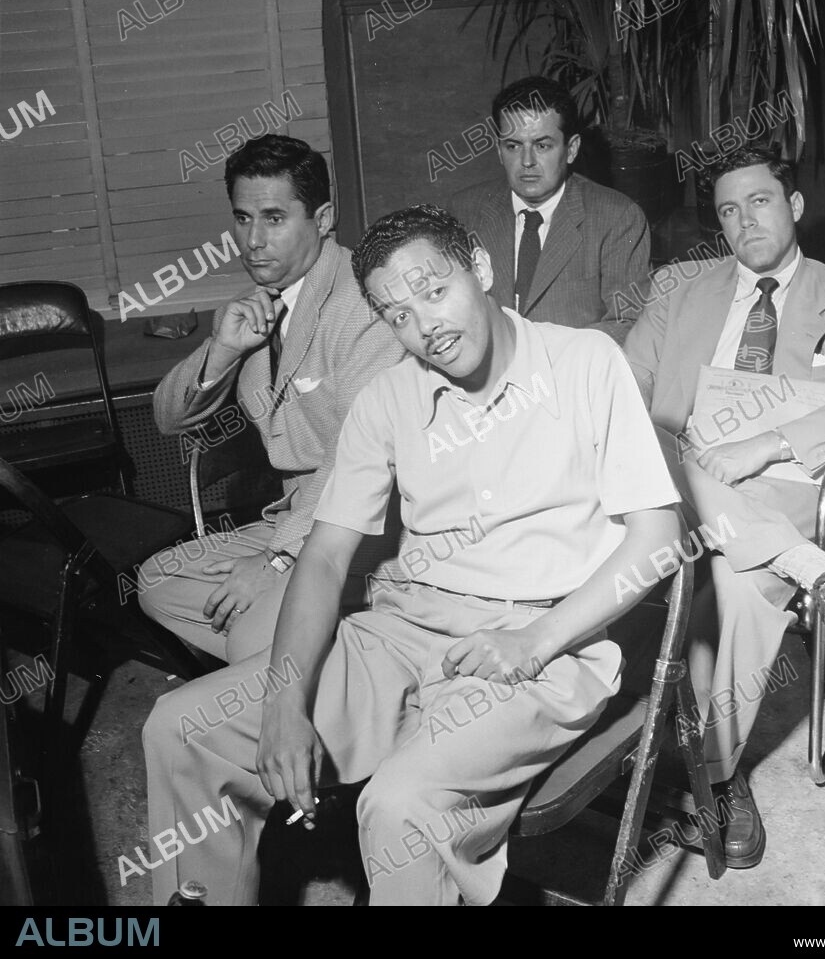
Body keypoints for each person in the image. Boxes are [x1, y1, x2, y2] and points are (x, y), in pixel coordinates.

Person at [142, 204, 683, 905]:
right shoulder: (386, 399)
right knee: (181, 726)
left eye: (434, 290)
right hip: (400, 628)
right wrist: (282, 703)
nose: (424, 324)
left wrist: (535, 638)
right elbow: (327, 556)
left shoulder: (584, 363)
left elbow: (658, 538)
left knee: (397, 806)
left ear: (480, 269)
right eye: (396, 313)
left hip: (541, 644)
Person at [623, 146, 825, 868]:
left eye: (759, 201)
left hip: (772, 494)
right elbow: (627, 388)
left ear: (794, 206)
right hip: (667, 481)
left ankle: (714, 779)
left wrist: (769, 444)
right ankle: (820, 574)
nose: (743, 220)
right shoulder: (678, 285)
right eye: (726, 208)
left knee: (740, 586)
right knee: (673, 463)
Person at [138, 135, 405, 664]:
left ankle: (297, 665)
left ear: (323, 218)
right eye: (242, 219)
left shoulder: (369, 304)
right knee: (156, 581)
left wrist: (275, 559)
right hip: (293, 517)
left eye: (274, 218)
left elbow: (355, 460)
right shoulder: (256, 305)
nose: (253, 240)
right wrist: (223, 348)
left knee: (254, 634)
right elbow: (167, 418)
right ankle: (329, 657)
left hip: (365, 529)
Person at [445, 76, 650, 344]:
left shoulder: (617, 218)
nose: (527, 161)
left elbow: (627, 322)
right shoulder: (464, 210)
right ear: (499, 151)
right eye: (513, 146)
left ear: (571, 149)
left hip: (574, 375)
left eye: (542, 146)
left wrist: (545, 359)